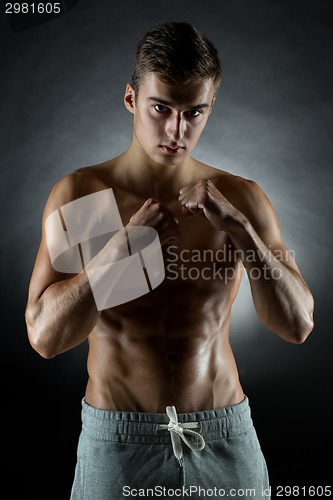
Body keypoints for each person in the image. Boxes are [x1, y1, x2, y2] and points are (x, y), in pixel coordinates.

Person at [25, 22, 314, 500]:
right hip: (119, 442)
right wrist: (117, 252)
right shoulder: (87, 196)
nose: (177, 131)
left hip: (224, 435)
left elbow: (297, 325)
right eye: (161, 108)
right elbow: (45, 338)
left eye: (193, 112)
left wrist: (241, 230)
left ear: (211, 107)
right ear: (130, 99)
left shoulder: (240, 197)